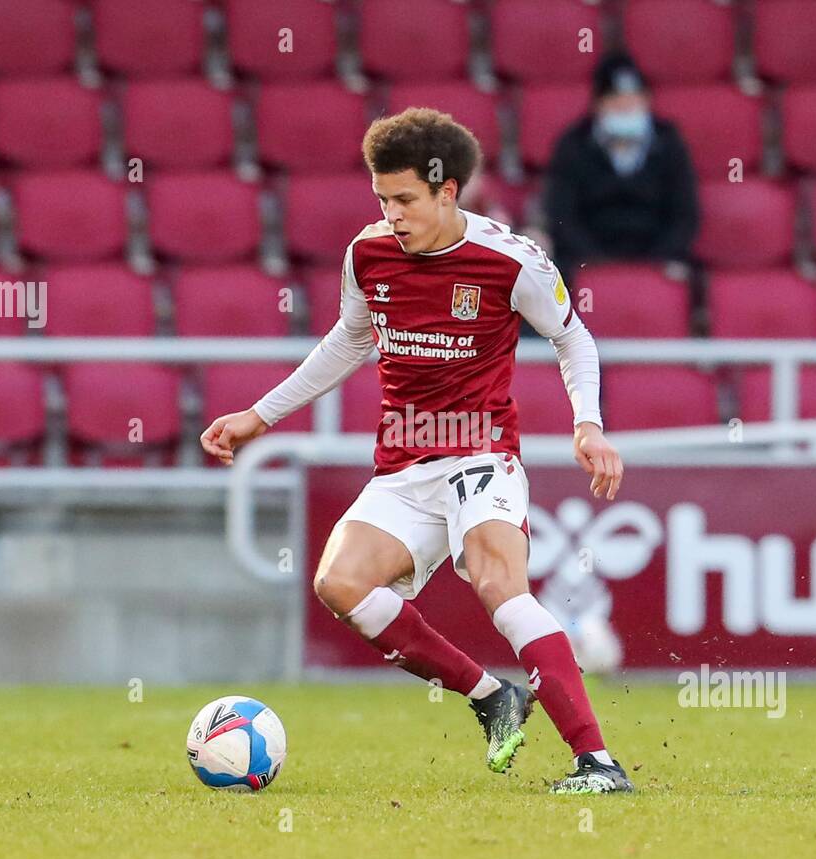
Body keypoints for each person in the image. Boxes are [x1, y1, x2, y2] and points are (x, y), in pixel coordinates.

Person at [201, 108, 633, 794]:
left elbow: (572, 336)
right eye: (381, 199)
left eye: (404, 199)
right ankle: (492, 697)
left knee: (499, 585)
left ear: (447, 192)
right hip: (403, 463)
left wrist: (588, 424)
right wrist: (261, 414)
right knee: (338, 585)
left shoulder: (510, 261)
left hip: (481, 453)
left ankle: (597, 763)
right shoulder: (366, 255)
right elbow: (347, 340)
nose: (391, 214)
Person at [543, 52, 699, 285]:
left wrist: (659, 259)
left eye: (633, 100)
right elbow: (562, 216)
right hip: (588, 256)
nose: (626, 108)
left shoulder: (668, 142)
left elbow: (685, 213)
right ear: (598, 104)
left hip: (657, 254)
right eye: (616, 101)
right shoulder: (574, 144)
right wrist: (595, 261)